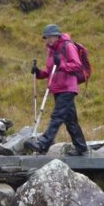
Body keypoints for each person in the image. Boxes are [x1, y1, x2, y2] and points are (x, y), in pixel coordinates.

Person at [24, 24, 88, 155]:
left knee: (57, 115)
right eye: (46, 37)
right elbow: (50, 72)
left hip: (68, 87)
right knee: (70, 120)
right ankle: (81, 148)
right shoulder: (51, 51)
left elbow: (77, 65)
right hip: (57, 88)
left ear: (57, 36)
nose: (49, 40)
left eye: (51, 37)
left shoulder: (68, 46)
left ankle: (43, 143)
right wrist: (38, 73)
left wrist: (62, 64)